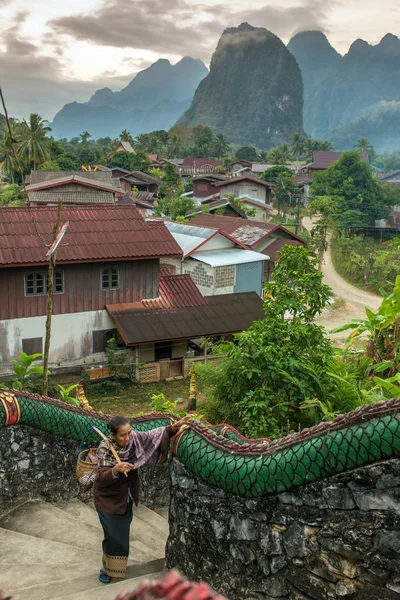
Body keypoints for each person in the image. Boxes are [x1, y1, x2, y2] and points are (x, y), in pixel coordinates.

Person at [93, 414, 189, 584]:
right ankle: (106, 569)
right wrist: (115, 469)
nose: (128, 438)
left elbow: (152, 435)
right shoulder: (104, 449)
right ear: (113, 435)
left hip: (126, 497)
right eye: (123, 435)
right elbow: (100, 477)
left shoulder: (134, 439)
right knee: (112, 535)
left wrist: (172, 429)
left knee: (121, 534)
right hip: (107, 499)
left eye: (129, 433)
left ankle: (116, 566)